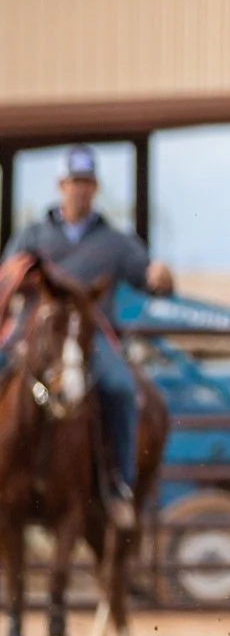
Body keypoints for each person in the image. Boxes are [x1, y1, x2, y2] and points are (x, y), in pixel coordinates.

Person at [4, 145, 173, 528]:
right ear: (60, 185)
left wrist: (160, 277)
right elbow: (8, 277)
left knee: (120, 388)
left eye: (86, 182)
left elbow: (148, 277)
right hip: (36, 339)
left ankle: (118, 485)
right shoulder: (32, 235)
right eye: (73, 182)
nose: (79, 190)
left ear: (94, 188)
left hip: (91, 341)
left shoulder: (115, 242)